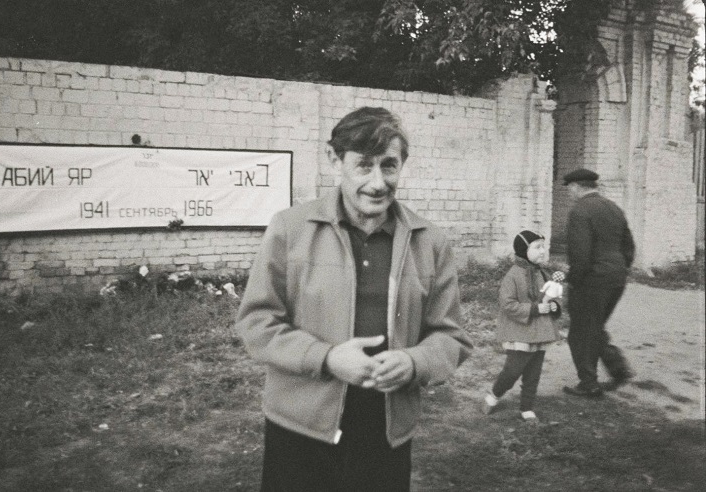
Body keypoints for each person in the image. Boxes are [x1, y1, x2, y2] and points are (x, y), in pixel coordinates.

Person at [235, 107, 473, 492]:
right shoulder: (289, 229)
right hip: (299, 427)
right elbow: (256, 323)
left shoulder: (430, 241)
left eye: (389, 166)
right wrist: (327, 358)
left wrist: (414, 362)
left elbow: (451, 337)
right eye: (363, 165)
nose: (377, 183)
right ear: (335, 160)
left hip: (385, 429)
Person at [561, 168, 635, 398]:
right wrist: (619, 268)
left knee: (580, 333)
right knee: (593, 327)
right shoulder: (613, 207)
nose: (569, 193)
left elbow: (580, 254)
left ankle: (589, 384)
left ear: (576, 187)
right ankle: (618, 369)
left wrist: (573, 282)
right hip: (617, 279)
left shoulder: (580, 211)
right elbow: (629, 247)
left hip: (592, 281)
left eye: (569, 188)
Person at [482, 230, 561, 423]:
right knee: (513, 370)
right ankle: (494, 394)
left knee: (534, 372)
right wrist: (535, 309)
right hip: (520, 330)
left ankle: (527, 407)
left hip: (540, 331)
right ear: (523, 250)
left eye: (543, 246)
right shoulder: (513, 276)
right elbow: (507, 304)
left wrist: (554, 305)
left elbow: (552, 295)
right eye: (537, 247)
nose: (542, 251)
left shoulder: (543, 273)